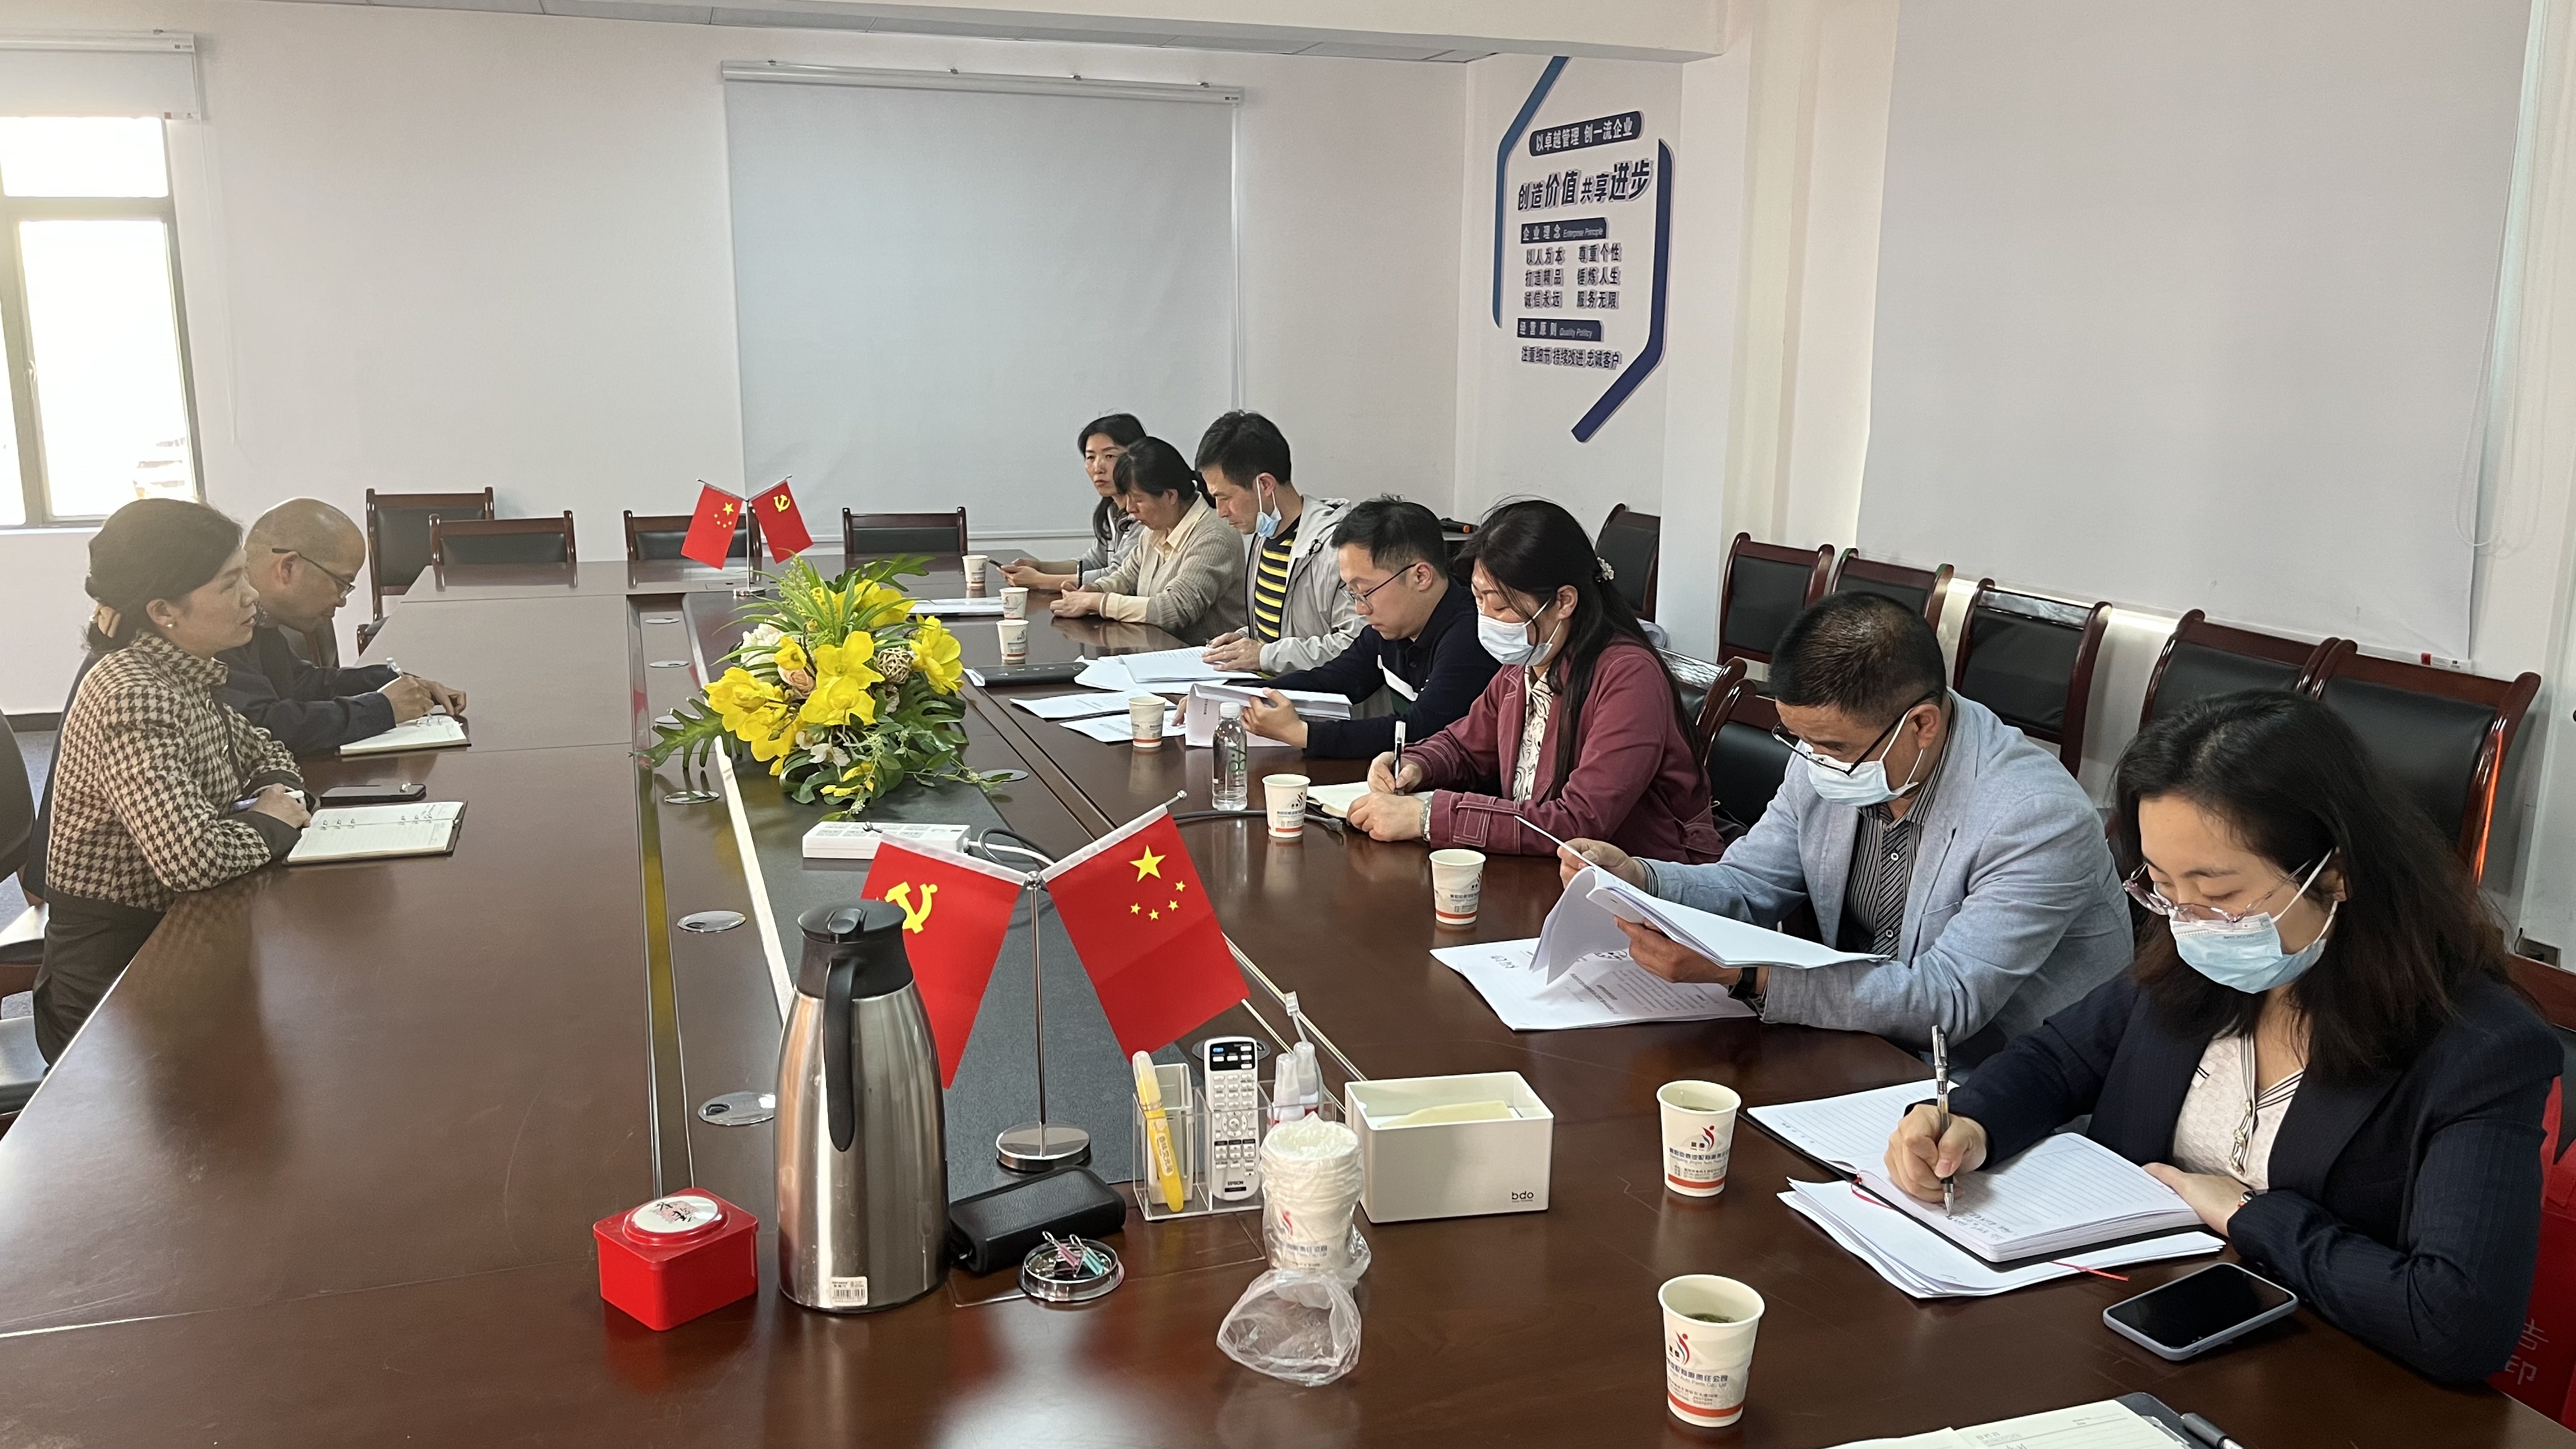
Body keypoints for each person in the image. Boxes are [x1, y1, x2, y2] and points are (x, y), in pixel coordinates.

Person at [1884, 692, 2556, 1383]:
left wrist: (2248, 1214)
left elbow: (2455, 1321)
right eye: (2163, 886)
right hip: (2128, 1332)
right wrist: (1969, 1121)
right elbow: (2058, 1059)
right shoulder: (2195, 962)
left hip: (2315, 1379)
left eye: (2220, 892)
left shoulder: (2478, 1049)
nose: (2189, 920)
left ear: (2335, 875)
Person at [1561, 592, 2128, 1059]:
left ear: (1922, 724)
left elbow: (1949, 1000)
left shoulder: (2035, 817)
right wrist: (1642, 879)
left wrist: (1747, 976)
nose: (1813, 760)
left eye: (1832, 746)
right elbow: (1750, 884)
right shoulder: (1831, 756)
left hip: (1992, 1077)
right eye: (1800, 740)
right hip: (1854, 1039)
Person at [36, 499, 310, 1061]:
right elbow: (193, 859)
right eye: (230, 583)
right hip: (117, 986)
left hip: (177, 938)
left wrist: (278, 791)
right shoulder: (134, 693)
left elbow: (266, 748)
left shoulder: (182, 670)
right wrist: (274, 817)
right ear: (164, 610)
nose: (252, 596)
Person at [1346, 499, 1724, 861]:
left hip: (1638, 881)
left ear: (1564, 601)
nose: (1486, 619)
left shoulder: (1629, 678)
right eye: (1478, 600)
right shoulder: (1526, 662)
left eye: (1500, 605)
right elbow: (1466, 746)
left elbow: (1578, 821)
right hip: (1545, 870)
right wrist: (1416, 764)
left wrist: (1428, 817)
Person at [1239, 497, 1498, 759]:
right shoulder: (1391, 628)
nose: (1360, 609)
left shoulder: (1470, 636)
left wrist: (1303, 734)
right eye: (1353, 593)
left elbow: (1422, 729)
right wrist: (1247, 693)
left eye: (1365, 592)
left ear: (1420, 576)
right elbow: (1338, 679)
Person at [223, 498, 468, 755]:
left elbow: (301, 684)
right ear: (289, 568)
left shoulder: (263, 619)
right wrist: (382, 708)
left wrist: (394, 682)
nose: (341, 601)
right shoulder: (218, 624)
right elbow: (261, 726)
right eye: (341, 584)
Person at [1194, 411, 1360, 674]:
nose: (1221, 511)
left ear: (1265, 485)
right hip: (1269, 689)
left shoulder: (1337, 548)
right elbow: (1283, 632)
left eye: (1225, 497)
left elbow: (1355, 647)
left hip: (1317, 698)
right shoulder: (1264, 534)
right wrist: (1244, 640)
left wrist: (1264, 655)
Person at [1050, 436, 1246, 646]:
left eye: (1138, 499)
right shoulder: (1155, 529)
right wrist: (1093, 590)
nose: (1129, 508)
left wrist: (1098, 603)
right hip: (1158, 652)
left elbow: (1175, 609)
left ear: (1170, 496)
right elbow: (1126, 578)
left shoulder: (1214, 536)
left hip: (1207, 660)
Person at [1001, 413, 1147, 592]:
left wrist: (1039, 580)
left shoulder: (1146, 513)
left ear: (1135, 458)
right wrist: (1039, 567)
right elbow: (1093, 562)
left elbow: (1118, 577)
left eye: (1110, 456)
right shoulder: (1112, 510)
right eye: (1090, 457)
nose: (1098, 468)